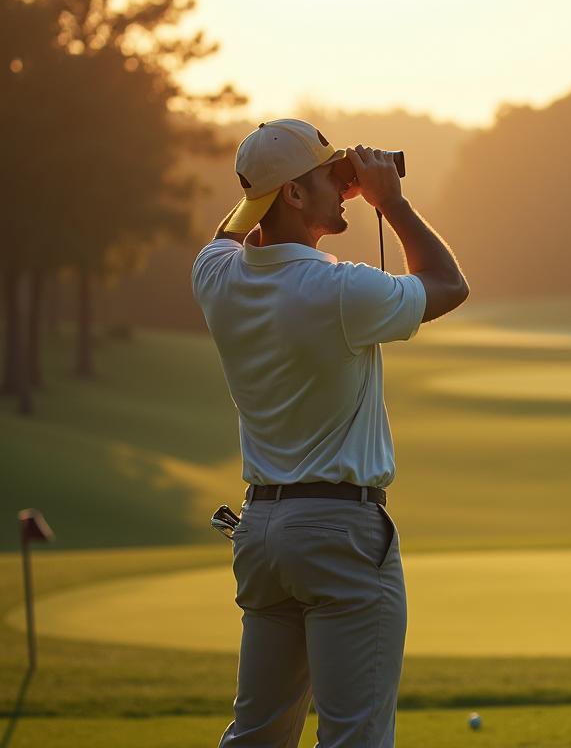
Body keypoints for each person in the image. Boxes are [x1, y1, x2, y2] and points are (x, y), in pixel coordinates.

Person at [191, 118, 469, 747]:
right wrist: (389, 202)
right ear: (291, 193)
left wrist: (306, 187)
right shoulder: (337, 288)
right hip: (341, 532)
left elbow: (226, 235)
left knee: (258, 735)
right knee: (354, 738)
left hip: (262, 533)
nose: (341, 187)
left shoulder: (216, 278)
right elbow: (449, 285)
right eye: (327, 177)